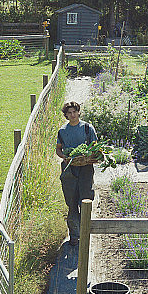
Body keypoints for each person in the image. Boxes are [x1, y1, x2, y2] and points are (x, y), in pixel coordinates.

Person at [56, 101, 98, 247]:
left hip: (85, 168)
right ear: (66, 115)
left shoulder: (87, 128)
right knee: (72, 202)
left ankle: (86, 232)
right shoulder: (62, 131)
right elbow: (58, 149)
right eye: (70, 113)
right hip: (69, 169)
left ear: (79, 112)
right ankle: (74, 235)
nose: (73, 115)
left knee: (85, 200)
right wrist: (64, 157)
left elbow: (95, 146)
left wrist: (89, 155)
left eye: (75, 112)